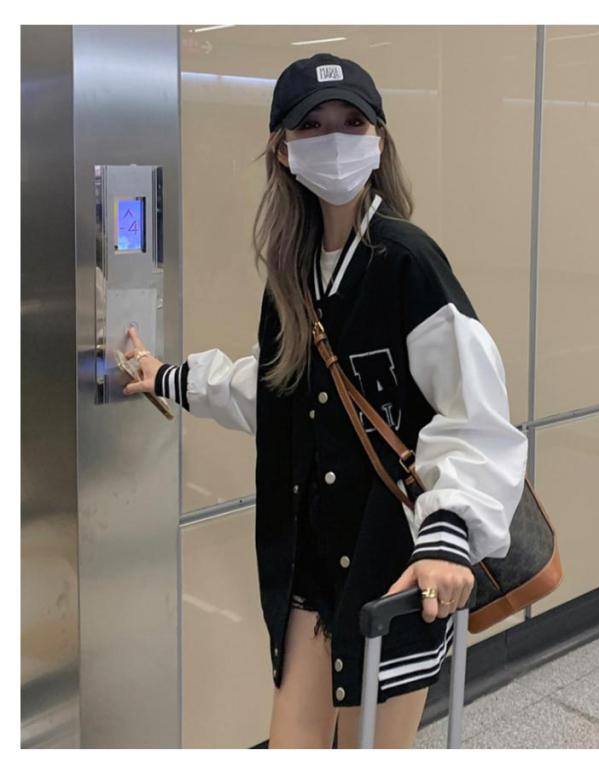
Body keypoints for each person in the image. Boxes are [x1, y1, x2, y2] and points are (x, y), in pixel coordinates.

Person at [122, 52, 528, 748]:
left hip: (394, 568)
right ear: (282, 149)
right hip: (309, 570)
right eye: (311, 124)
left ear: (379, 140)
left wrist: (449, 533)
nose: (334, 140)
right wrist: (168, 378)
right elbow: (273, 391)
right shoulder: (294, 272)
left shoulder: (406, 263)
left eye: (352, 122)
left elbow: (475, 413)